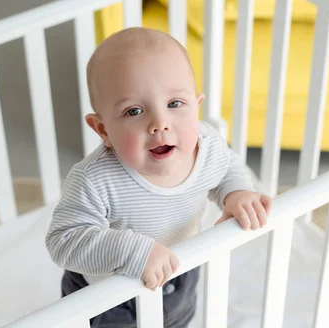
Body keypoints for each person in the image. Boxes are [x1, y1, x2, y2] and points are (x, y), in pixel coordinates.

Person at [45, 27, 272, 327]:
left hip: (180, 269)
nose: (160, 123)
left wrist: (236, 193)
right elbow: (64, 240)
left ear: (196, 107)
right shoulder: (95, 179)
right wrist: (132, 251)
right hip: (108, 293)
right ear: (102, 130)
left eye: (175, 104)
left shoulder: (206, 146)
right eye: (134, 111)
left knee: (177, 319)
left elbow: (226, 167)